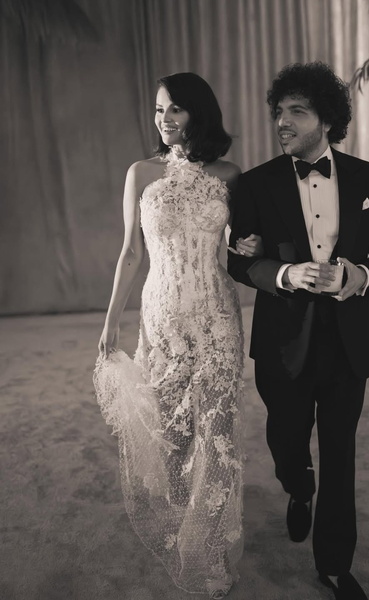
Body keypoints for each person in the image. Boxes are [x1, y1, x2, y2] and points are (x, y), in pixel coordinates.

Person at [228, 62, 369, 600]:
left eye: (296, 112)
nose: (282, 122)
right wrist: (284, 273)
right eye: (279, 111)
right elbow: (240, 260)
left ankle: (333, 564)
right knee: (286, 438)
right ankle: (297, 484)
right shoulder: (256, 183)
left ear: (326, 120)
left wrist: (359, 277)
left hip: (349, 340)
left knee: (340, 452)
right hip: (282, 340)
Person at [93, 72, 260, 599]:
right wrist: (111, 320)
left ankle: (206, 549)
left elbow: (239, 244)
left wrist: (250, 246)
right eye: (159, 109)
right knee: (173, 431)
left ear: (198, 113)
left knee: (216, 428)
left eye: (176, 109)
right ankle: (183, 522)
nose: (164, 119)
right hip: (163, 316)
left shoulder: (230, 174)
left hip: (216, 315)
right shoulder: (141, 173)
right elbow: (130, 252)